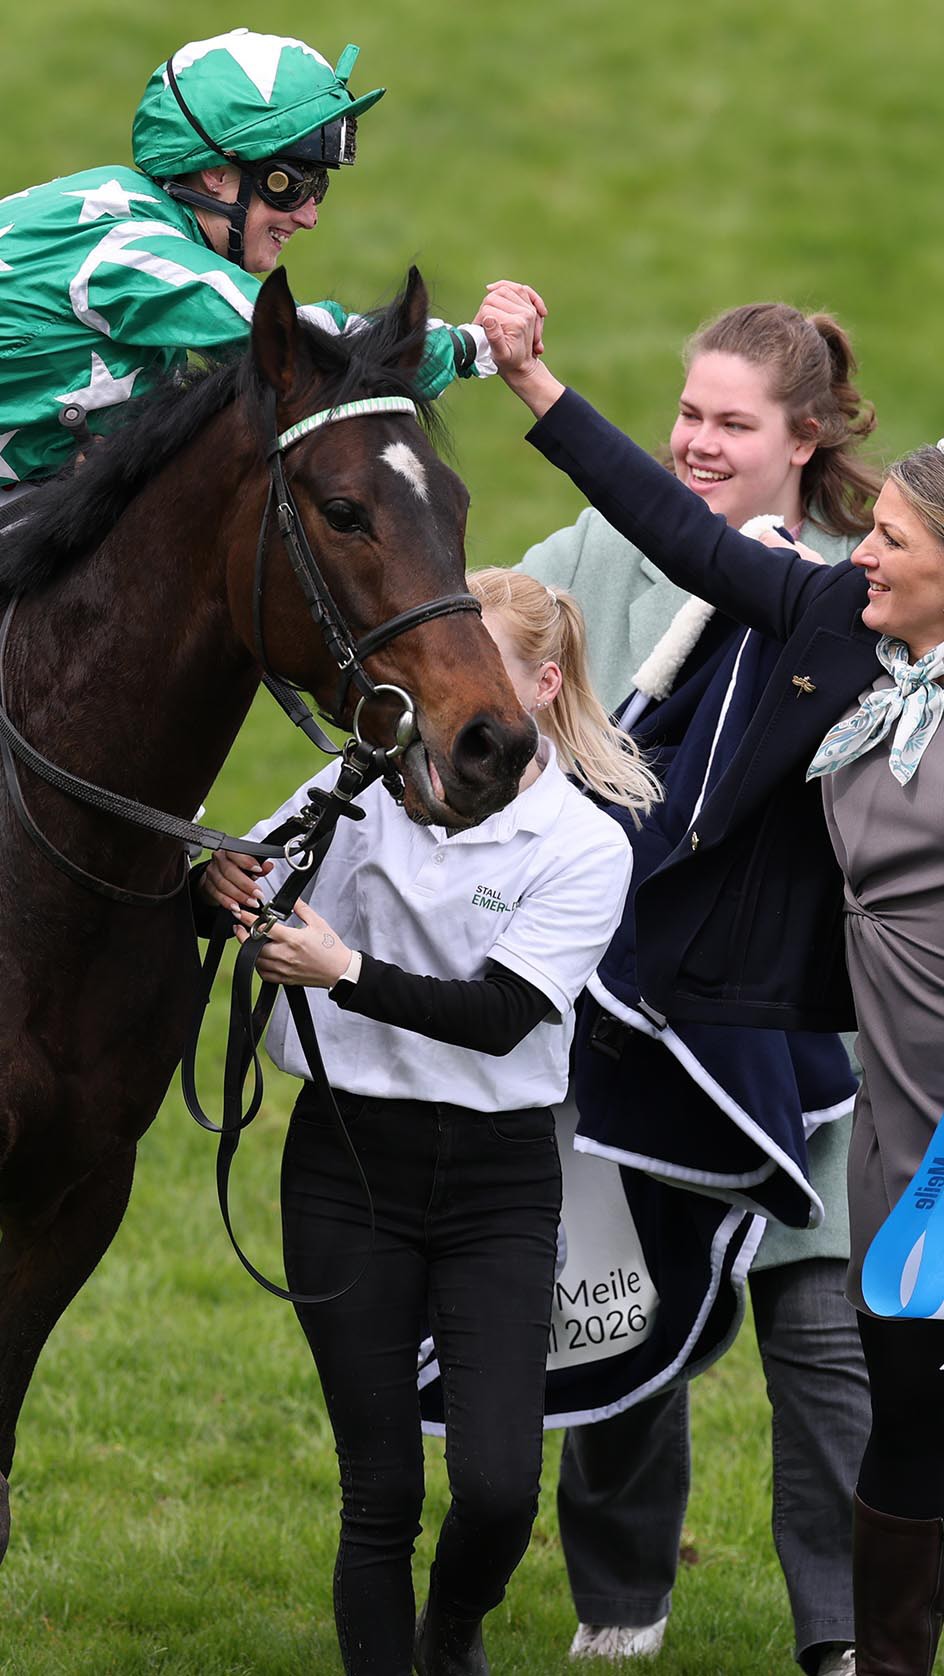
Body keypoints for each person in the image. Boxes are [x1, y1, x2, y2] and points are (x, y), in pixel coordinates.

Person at [480, 281, 944, 1676]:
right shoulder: (836, 623)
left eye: (897, 541)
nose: (870, 550)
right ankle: (853, 1647)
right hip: (848, 1081)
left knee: (862, 1372)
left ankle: (853, 1641)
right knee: (897, 1400)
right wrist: (534, 386)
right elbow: (667, 526)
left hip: (898, 1085)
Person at [197, 568, 657, 1676]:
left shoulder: (584, 846)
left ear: (540, 686)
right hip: (345, 1161)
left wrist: (341, 967)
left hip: (498, 1179)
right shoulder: (353, 787)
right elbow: (240, 866)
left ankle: (449, 1631)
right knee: (382, 1491)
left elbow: (500, 1017)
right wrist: (214, 874)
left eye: (482, 666)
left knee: (497, 1488)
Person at [0, 28, 495, 493]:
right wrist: (470, 343)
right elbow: (303, 349)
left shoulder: (116, 204)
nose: (308, 216)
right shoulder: (132, 251)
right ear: (216, 172)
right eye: (291, 184)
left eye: (319, 188)